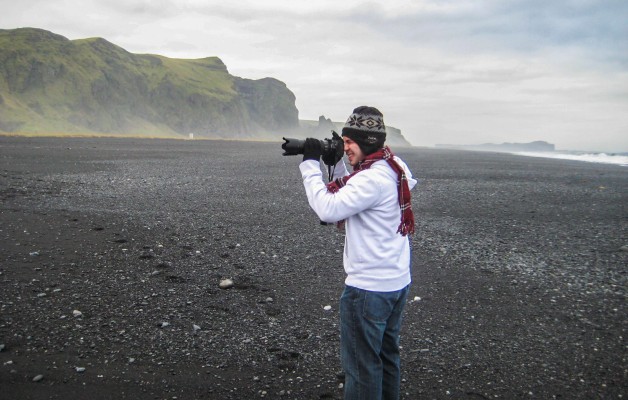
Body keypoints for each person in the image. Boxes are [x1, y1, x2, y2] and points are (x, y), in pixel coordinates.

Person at [297, 106, 418, 400]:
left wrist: (311, 164)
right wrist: (337, 164)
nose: (345, 145)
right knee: (386, 358)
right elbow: (355, 195)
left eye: (350, 141)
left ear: (367, 142)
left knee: (362, 368)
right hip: (395, 283)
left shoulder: (370, 179)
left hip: (368, 290)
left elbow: (328, 208)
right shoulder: (394, 166)